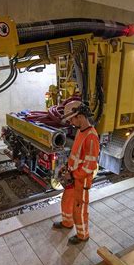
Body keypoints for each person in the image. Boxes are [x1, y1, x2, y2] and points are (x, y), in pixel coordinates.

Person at [52, 100, 100, 244]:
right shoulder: (81, 131)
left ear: (80, 116)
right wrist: (67, 167)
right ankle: (67, 223)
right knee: (66, 201)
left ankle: (82, 235)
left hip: (81, 180)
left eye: (72, 119)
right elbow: (76, 154)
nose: (71, 122)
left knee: (79, 209)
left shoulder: (91, 137)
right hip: (73, 177)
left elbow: (89, 166)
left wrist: (72, 175)